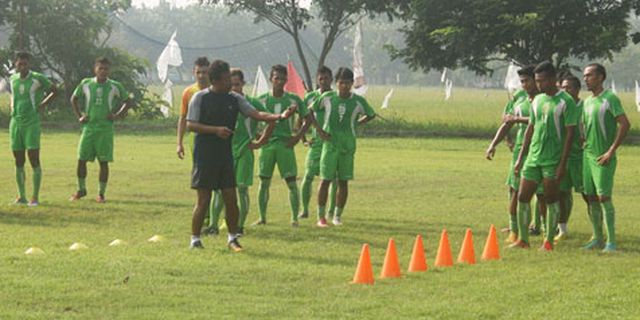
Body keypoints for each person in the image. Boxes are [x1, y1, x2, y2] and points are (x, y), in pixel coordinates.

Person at [186, 60, 295, 251]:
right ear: (217, 80)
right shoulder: (200, 98)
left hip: (225, 155)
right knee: (203, 200)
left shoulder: (234, 99)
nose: (231, 81)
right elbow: (191, 125)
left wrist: (280, 117)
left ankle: (232, 238)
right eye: (228, 78)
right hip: (205, 156)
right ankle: (195, 239)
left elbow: (256, 114)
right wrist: (215, 130)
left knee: (231, 197)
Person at [512, 61, 578, 251]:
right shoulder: (538, 100)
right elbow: (530, 130)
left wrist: (561, 164)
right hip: (533, 158)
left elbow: (570, 136)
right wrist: (520, 158)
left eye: (541, 81)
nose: (538, 85)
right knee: (523, 197)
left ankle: (548, 241)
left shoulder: (566, 102)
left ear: (552, 79)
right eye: (537, 81)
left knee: (550, 199)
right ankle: (523, 240)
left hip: (553, 160)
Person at [208, 68, 275, 236]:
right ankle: (213, 226)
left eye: (237, 84)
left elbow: (270, 120)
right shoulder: (220, 102)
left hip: (244, 151)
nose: (233, 88)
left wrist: (261, 142)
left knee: (242, 189)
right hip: (224, 152)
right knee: (219, 190)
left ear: (243, 84)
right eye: (230, 84)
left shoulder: (251, 103)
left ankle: (239, 227)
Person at [254, 64, 322, 227]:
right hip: (267, 147)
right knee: (264, 183)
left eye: (283, 78)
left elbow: (308, 118)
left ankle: (294, 218)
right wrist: (259, 137)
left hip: (285, 145)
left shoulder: (293, 99)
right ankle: (262, 218)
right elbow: (252, 119)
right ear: (271, 79)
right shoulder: (262, 99)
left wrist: (298, 137)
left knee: (291, 183)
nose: (280, 81)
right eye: (277, 78)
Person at [485, 65, 546, 243]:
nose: (525, 84)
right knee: (514, 190)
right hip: (520, 149)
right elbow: (507, 123)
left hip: (539, 150)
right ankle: (514, 229)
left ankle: (543, 230)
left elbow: (539, 120)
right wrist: (493, 144)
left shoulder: (544, 99)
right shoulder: (519, 98)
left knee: (541, 194)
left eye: (528, 80)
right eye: (522, 81)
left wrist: (517, 119)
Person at [312, 67, 376, 227]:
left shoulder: (358, 101)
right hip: (330, 145)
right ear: (336, 83)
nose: (344, 86)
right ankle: (321, 217)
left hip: (347, 146)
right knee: (325, 180)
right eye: (341, 83)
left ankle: (337, 216)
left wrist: (356, 123)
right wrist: (320, 131)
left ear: (352, 84)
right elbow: (309, 111)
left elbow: (371, 114)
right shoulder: (327, 97)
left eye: (348, 83)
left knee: (343, 182)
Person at [581, 63, 630, 252]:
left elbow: (624, 124)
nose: (586, 79)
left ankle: (611, 242)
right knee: (591, 197)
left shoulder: (610, 98)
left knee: (604, 197)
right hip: (588, 156)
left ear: (600, 77)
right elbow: (586, 127)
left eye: (589, 75)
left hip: (604, 157)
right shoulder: (587, 101)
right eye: (584, 76)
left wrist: (611, 150)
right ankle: (598, 238)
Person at [70, 57, 131, 203]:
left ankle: (101, 194)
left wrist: (117, 115)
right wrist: (80, 116)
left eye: (106, 69)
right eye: (100, 68)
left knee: (103, 162)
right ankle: (81, 190)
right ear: (95, 69)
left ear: (109, 70)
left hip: (105, 129)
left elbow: (128, 101)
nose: (103, 71)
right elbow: (74, 98)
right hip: (89, 128)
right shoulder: (86, 83)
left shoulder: (114, 86)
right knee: (81, 159)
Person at [8, 51, 57, 206]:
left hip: (31, 124)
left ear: (29, 64)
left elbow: (55, 90)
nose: (22, 66)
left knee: (33, 158)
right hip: (16, 123)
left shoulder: (37, 78)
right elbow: (13, 95)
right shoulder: (12, 78)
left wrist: (43, 104)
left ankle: (35, 197)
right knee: (18, 160)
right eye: (19, 63)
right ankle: (21, 196)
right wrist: (11, 106)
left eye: (25, 63)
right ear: (15, 64)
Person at [299, 66, 337, 220]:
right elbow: (303, 118)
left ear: (331, 79)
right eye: (320, 78)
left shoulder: (336, 97)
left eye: (326, 78)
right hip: (315, 143)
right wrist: (303, 139)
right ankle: (304, 210)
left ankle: (330, 211)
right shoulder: (309, 97)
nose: (323, 81)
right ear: (317, 80)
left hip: (331, 142)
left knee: (332, 179)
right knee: (308, 176)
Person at [556, 74, 588, 241]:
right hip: (564, 158)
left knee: (588, 194)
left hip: (580, 158)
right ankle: (562, 229)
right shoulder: (561, 106)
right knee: (562, 193)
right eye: (563, 87)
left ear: (577, 89)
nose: (565, 90)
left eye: (568, 87)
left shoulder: (585, 106)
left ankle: (597, 230)